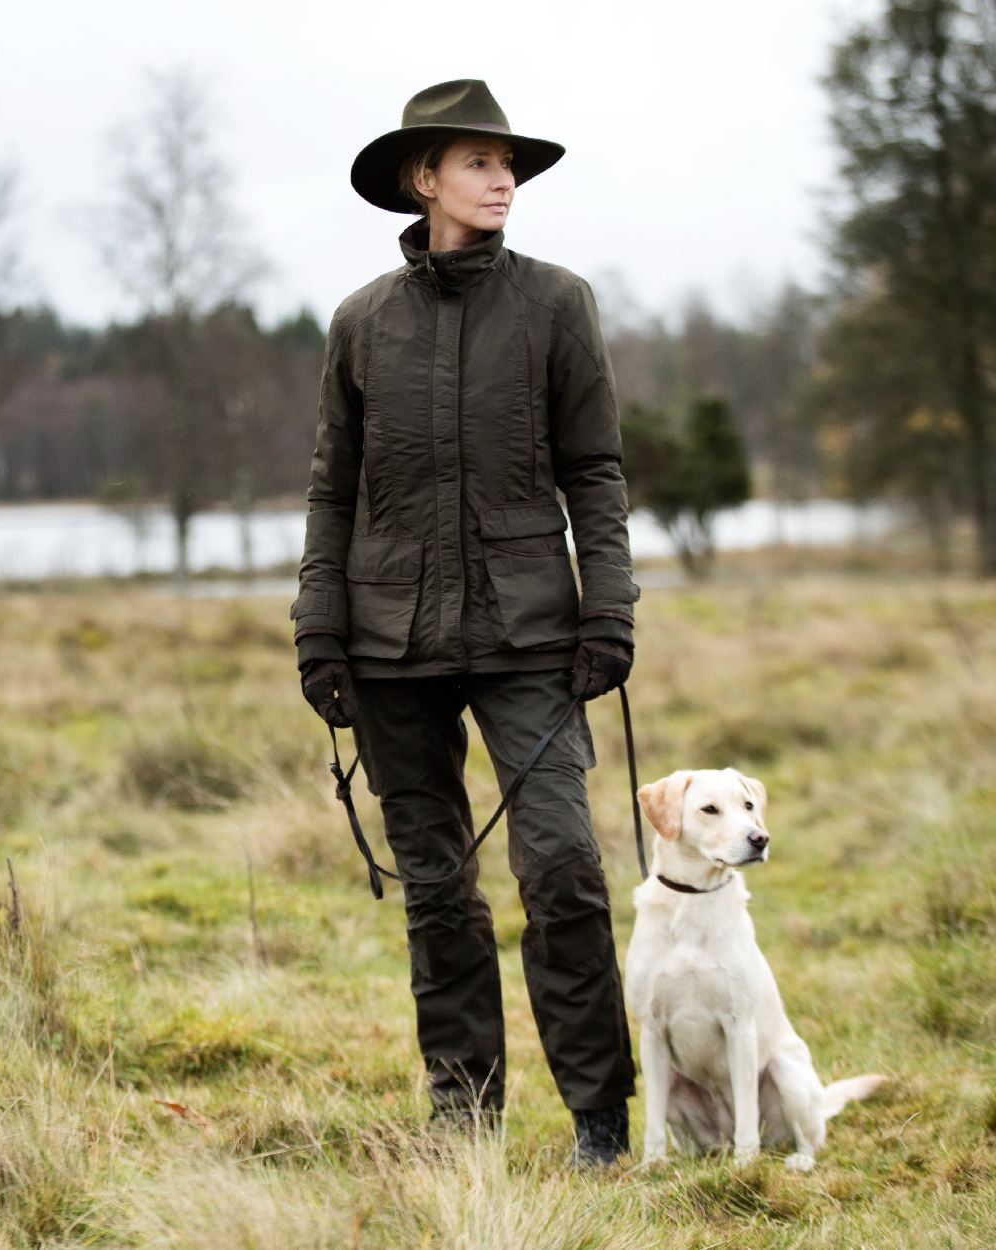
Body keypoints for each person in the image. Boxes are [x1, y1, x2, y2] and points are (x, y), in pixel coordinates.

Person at [291, 79, 639, 1166]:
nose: (501, 181)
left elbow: (595, 469)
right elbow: (330, 491)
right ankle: (463, 1117)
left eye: (509, 165)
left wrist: (608, 608)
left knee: (564, 870)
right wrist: (319, 629)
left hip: (534, 636)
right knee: (438, 891)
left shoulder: (556, 303)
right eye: (478, 162)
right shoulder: (359, 324)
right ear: (422, 178)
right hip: (390, 646)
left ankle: (597, 1121)